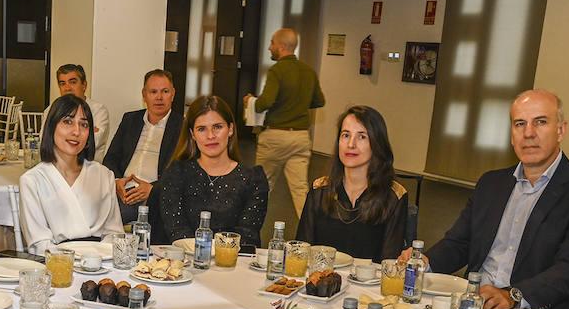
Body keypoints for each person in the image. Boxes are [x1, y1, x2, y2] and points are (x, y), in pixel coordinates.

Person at [418, 89, 569, 309]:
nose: (529, 133)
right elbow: (459, 243)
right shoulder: (491, 183)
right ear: (512, 134)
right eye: (520, 123)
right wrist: (423, 263)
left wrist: (513, 295)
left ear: (561, 130)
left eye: (540, 122)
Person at [296, 105, 410, 263]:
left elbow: (389, 265)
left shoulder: (393, 196)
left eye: (362, 137)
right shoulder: (320, 190)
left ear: (377, 143)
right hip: (321, 282)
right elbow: (302, 251)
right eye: (345, 135)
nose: (351, 144)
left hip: (369, 286)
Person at [17, 94, 123, 254]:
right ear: (51, 127)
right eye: (67, 122)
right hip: (56, 266)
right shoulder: (32, 180)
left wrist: (97, 259)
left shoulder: (103, 175)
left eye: (84, 125)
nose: (76, 131)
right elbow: (39, 243)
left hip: (101, 264)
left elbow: (114, 234)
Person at [160, 95, 269, 250]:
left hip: (233, 266)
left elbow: (247, 236)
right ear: (192, 134)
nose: (210, 136)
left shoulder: (253, 179)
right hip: (186, 264)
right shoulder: (177, 173)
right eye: (201, 129)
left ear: (230, 129)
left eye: (217, 127)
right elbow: (176, 230)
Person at [244, 27, 325, 218]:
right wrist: (299, 102)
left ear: (281, 46)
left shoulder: (277, 71)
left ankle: (249, 225)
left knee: (262, 185)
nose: (269, 48)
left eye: (272, 43)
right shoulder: (308, 71)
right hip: (300, 137)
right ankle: (311, 232)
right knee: (300, 189)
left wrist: (250, 101)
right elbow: (319, 100)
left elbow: (265, 102)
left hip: (275, 137)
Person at [102, 69, 180, 224]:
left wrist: (153, 189)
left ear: (173, 94)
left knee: (105, 217)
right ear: (144, 95)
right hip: (123, 189)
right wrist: (117, 181)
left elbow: (182, 169)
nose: (159, 97)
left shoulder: (182, 126)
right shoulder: (130, 119)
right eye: (153, 92)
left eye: (165, 91)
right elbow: (111, 157)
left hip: (155, 194)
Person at [56, 63, 110, 160]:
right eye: (62, 83)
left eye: (72, 82)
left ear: (84, 85)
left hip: (89, 170)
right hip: (57, 169)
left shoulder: (98, 110)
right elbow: (44, 142)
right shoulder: (50, 110)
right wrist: (86, 132)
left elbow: (92, 143)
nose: (67, 88)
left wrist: (59, 136)